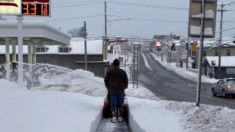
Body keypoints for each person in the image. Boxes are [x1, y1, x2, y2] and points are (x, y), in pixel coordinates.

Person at [104, 59, 128, 123]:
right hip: (121, 90)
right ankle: (120, 117)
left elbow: (106, 81)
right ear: (119, 64)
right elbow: (126, 81)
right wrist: (124, 87)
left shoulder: (109, 72)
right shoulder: (123, 72)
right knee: (120, 104)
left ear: (113, 64)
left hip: (112, 90)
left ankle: (113, 117)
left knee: (113, 104)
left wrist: (108, 88)